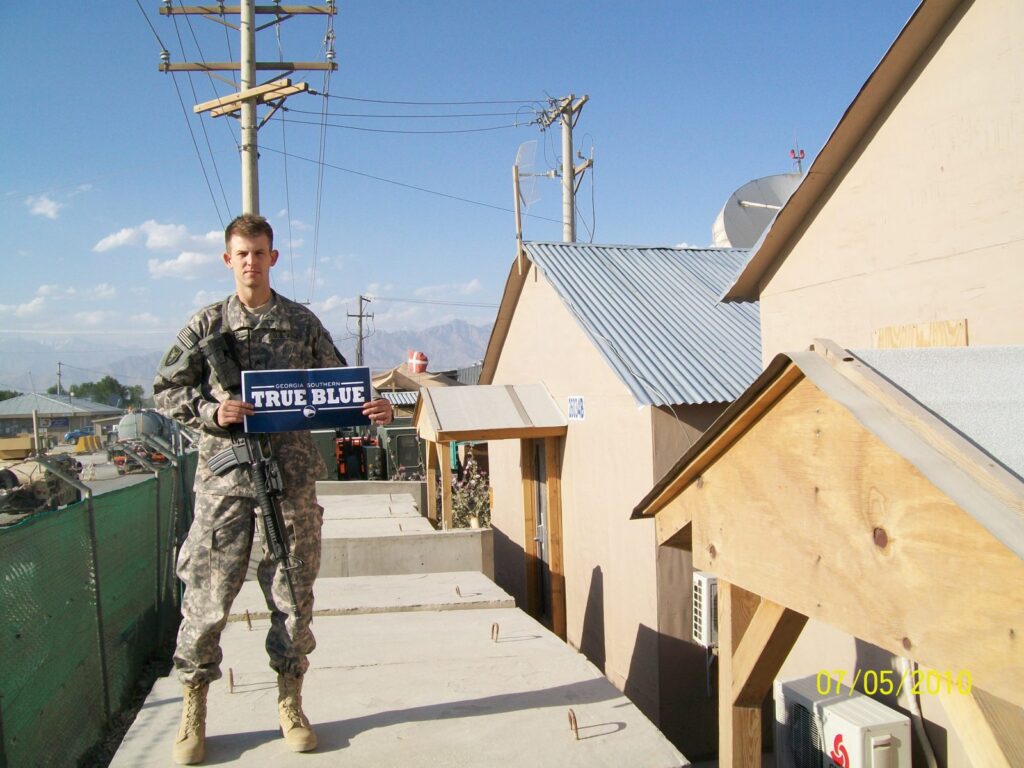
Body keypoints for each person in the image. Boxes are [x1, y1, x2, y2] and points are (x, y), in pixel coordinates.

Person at [154, 214, 392, 765]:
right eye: (241, 253)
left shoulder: (300, 323)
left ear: (272, 258)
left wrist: (371, 407)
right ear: (227, 258)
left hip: (289, 483)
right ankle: (194, 707)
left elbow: (339, 386)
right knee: (207, 599)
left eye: (259, 252)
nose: (250, 262)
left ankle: (290, 702)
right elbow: (165, 392)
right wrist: (212, 411)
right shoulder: (205, 325)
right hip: (225, 482)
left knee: (292, 594)